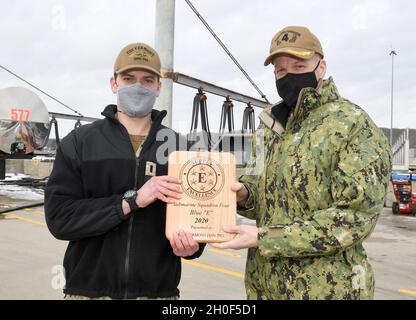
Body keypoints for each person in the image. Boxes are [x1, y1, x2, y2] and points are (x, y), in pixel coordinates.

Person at [213, 26, 392, 300]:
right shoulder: (270, 127)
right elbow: (264, 196)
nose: (289, 76)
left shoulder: (352, 125)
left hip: (330, 291)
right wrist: (244, 194)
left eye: (299, 65)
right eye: (281, 71)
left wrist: (264, 238)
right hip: (265, 288)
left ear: (321, 67)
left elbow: (354, 218)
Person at [45, 43, 205, 300]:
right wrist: (130, 201)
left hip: (157, 294)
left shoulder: (181, 149)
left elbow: (198, 218)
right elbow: (60, 219)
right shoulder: (79, 143)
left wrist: (193, 246)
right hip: (88, 293)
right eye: (129, 78)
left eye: (147, 80)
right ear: (114, 83)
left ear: (158, 87)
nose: (138, 86)